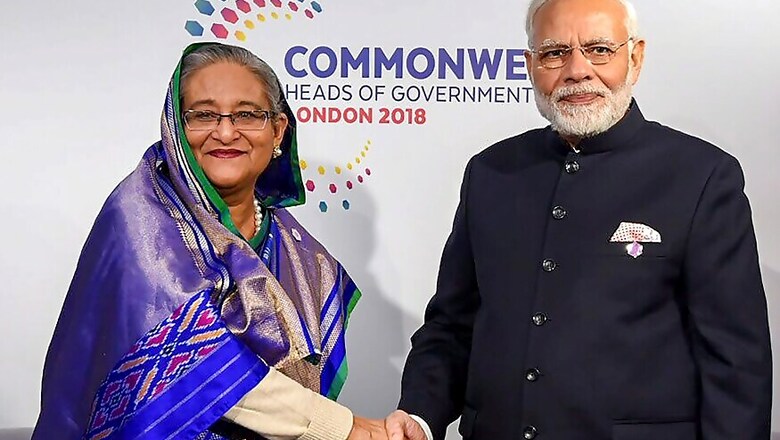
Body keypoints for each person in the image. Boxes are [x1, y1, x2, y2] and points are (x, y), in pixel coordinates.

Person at [385, 0, 772, 439]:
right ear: (530, 65)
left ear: (636, 57)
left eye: (599, 49)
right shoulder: (491, 172)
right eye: (555, 53)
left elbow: (736, 362)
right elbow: (453, 326)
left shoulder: (700, 176)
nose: (577, 71)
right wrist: (420, 413)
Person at [32, 42, 390, 440]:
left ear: (278, 131)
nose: (225, 132)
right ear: (177, 129)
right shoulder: (137, 218)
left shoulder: (302, 253)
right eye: (203, 115)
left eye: (247, 115)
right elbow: (199, 368)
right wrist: (340, 427)